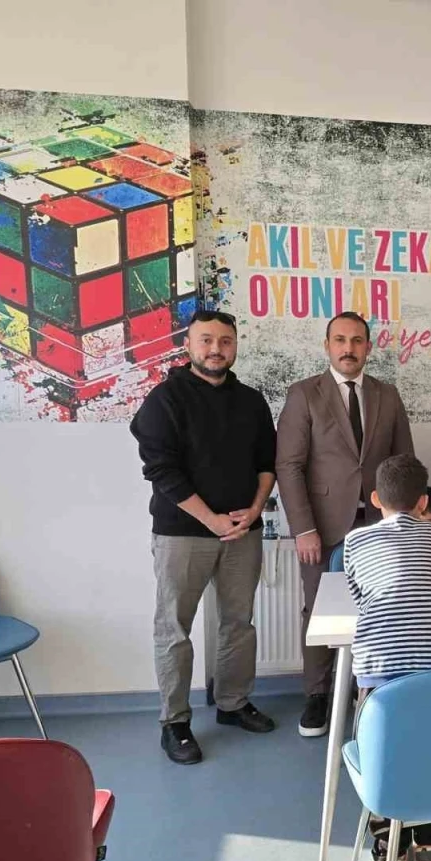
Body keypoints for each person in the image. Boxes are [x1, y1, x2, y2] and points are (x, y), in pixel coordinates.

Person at [130, 310, 278, 765]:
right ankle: (175, 722)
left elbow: (267, 464)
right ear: (189, 345)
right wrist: (211, 519)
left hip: (243, 533)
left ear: (235, 346)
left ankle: (233, 703)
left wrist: (256, 509)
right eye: (207, 340)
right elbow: (161, 471)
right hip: (182, 535)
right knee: (174, 628)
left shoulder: (252, 401)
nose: (216, 349)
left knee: (239, 623)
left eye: (226, 341)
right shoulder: (165, 399)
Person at [276, 311, 415, 738]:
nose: (348, 348)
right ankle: (317, 696)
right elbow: (289, 466)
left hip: (378, 527)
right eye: (340, 340)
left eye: (357, 341)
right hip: (322, 526)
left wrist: (405, 523)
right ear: (327, 346)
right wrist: (303, 528)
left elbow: (403, 464)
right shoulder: (304, 394)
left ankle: (370, 690)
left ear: (368, 348)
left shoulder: (387, 395)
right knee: (319, 611)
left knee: (380, 609)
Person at [343, 454, 431, 861]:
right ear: (423, 502)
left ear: (375, 499)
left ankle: (390, 853)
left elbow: (361, 594)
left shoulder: (355, 542)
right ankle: (428, 846)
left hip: (380, 673)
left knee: (381, 756)